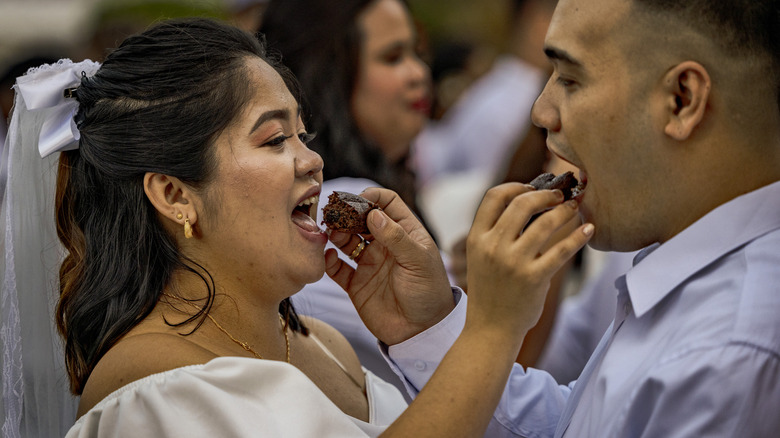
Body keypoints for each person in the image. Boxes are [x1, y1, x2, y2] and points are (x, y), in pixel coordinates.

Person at [1, 18, 591, 437]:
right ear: (176, 194)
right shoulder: (154, 386)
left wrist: (424, 329)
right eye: (274, 138)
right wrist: (493, 326)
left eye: (303, 135)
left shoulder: (322, 343)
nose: (312, 160)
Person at [364, 0, 780, 435]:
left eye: (569, 78)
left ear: (682, 99)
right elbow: (574, 423)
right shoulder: (679, 261)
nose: (540, 111)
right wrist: (429, 326)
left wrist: (492, 328)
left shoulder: (728, 356)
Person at [258, 0, 433, 397]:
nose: (418, 74)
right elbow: (478, 386)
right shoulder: (342, 205)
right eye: (392, 57)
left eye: (417, 54)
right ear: (330, 72)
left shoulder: (371, 188)